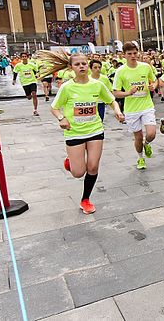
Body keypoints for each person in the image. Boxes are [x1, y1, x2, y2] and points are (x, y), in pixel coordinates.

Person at [45, 51, 125, 214]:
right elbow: (54, 108)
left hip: (95, 130)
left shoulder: (97, 85)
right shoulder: (67, 87)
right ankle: (70, 163)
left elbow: (111, 100)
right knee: (78, 172)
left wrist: (117, 111)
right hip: (74, 132)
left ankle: (85, 199)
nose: (81, 66)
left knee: (93, 167)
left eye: (83, 63)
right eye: (77, 64)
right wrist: (62, 118)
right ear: (71, 68)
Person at [112, 41, 158, 170]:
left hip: (146, 105)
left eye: (135, 53)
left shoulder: (145, 67)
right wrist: (128, 92)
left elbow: (155, 81)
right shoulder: (120, 71)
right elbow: (115, 93)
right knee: (138, 137)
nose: (133, 56)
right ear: (124, 55)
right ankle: (140, 158)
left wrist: (153, 86)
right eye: (129, 54)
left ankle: (147, 143)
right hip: (131, 109)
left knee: (151, 133)